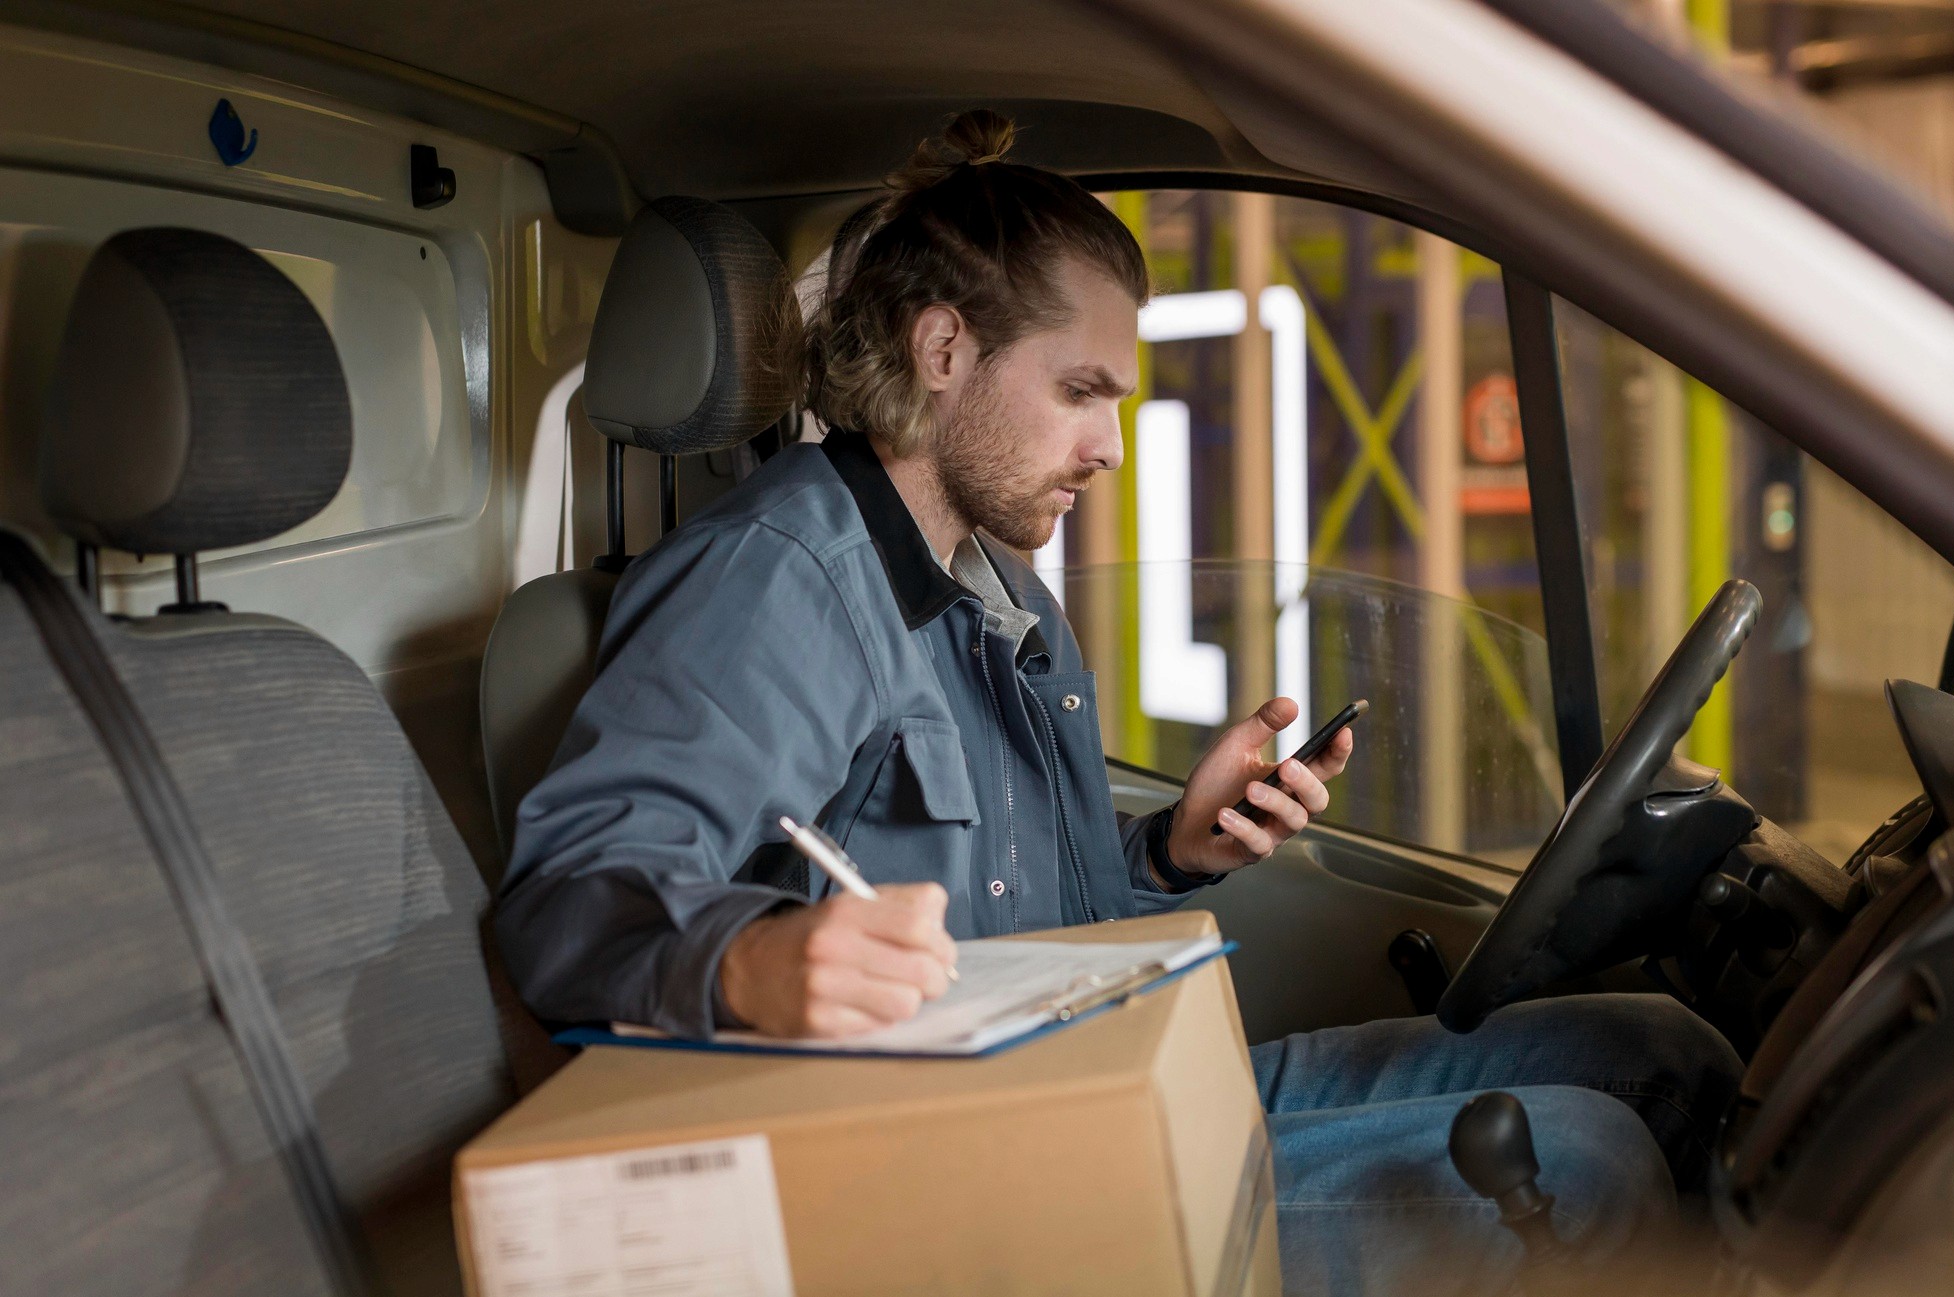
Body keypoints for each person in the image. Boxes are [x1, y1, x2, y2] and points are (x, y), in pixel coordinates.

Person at [496, 110, 1741, 1293]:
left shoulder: (1003, 591)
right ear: (943, 354)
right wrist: (750, 961)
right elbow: (565, 902)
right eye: (1081, 391)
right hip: (961, 1177)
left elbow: (1042, 925)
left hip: (1103, 1073)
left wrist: (1164, 853)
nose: (1111, 445)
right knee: (1584, 1170)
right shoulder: (776, 582)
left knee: (1661, 1060)